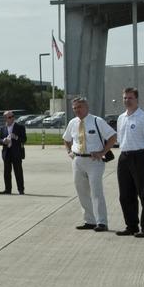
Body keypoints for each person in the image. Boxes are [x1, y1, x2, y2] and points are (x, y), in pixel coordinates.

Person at [62, 96, 116, 231]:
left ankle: (102, 222)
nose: (76, 110)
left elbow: (113, 137)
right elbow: (66, 139)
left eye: (79, 107)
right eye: (74, 108)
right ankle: (89, 220)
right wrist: (69, 151)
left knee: (96, 192)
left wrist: (103, 152)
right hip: (77, 160)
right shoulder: (73, 123)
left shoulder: (97, 121)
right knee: (81, 191)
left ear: (86, 107)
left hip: (94, 161)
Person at [115, 87, 144, 238]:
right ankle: (131, 225)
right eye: (125, 98)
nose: (127, 101)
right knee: (125, 195)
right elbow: (121, 139)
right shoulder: (121, 118)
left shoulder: (143, 117)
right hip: (124, 157)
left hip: (140, 156)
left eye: (130, 98)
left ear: (137, 100)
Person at [0, 111, 26, 195]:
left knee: (18, 171)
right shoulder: (3, 128)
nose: (12, 118)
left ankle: (21, 189)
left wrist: (16, 137)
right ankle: (8, 189)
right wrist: (3, 141)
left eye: (12, 116)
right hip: (6, 152)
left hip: (16, 152)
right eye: (9, 117)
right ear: (5, 119)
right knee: (7, 172)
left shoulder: (20, 127)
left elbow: (24, 139)